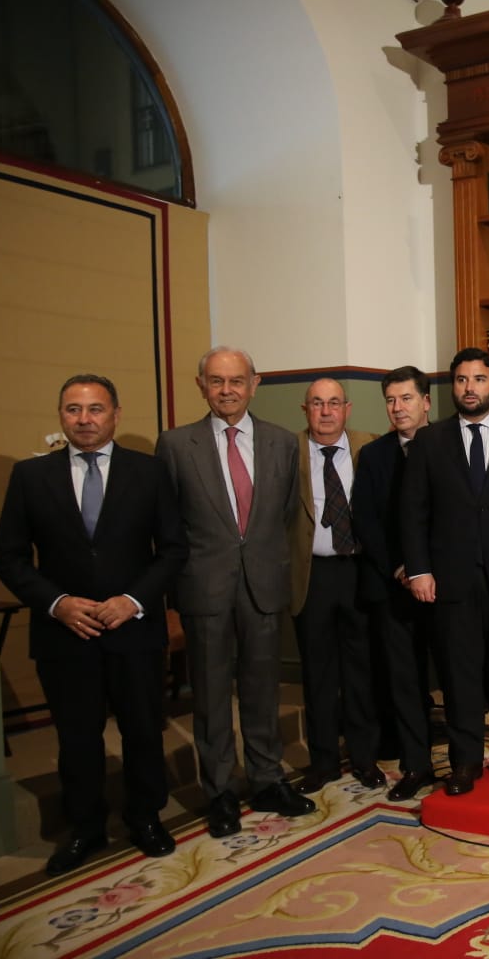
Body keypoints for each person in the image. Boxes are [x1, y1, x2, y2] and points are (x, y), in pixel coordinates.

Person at [0, 375, 187, 876]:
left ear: (116, 414)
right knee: (77, 738)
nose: (84, 419)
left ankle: (146, 818)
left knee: (143, 730)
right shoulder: (30, 477)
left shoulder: (149, 472)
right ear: (61, 415)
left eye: (95, 409)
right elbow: (9, 558)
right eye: (74, 409)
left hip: (135, 628)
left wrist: (134, 599)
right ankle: (85, 827)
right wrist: (55, 603)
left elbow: (173, 550)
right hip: (65, 634)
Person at [156, 346, 316, 838]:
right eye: (216, 381)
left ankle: (267, 779)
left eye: (236, 380)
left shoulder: (281, 443)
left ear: (255, 383)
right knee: (209, 694)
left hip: (264, 584)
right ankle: (220, 791)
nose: (227, 390)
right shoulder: (176, 445)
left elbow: (285, 513)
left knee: (262, 691)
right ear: (201, 385)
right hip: (205, 588)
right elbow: (168, 525)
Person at [401, 348, 489, 797]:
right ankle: (465, 763)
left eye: (478, 380)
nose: (468, 388)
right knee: (460, 678)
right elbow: (413, 513)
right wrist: (419, 570)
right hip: (451, 581)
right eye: (460, 380)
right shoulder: (429, 442)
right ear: (451, 387)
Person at [290, 378, 383, 795]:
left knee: (361, 669)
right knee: (318, 672)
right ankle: (323, 761)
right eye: (316, 404)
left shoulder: (370, 446)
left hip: (358, 570)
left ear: (346, 409)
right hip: (312, 575)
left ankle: (364, 758)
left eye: (333, 404)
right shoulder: (287, 452)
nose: (325, 412)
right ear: (305, 409)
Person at [352, 366, 439, 802]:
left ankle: (464, 760)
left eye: (406, 398)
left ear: (426, 401)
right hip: (394, 585)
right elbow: (366, 521)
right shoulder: (374, 455)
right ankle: (416, 764)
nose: (398, 408)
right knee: (403, 679)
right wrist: (401, 568)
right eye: (390, 400)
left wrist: (429, 567)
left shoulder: (447, 443)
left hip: (444, 584)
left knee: (456, 676)